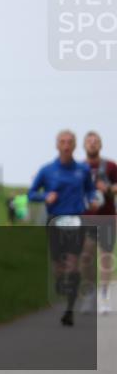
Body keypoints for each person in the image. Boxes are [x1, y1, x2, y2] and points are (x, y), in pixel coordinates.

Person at [28, 130, 94, 327]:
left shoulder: (82, 170)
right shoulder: (47, 170)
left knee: (73, 264)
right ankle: (60, 285)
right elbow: (31, 193)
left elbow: (90, 190)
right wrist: (45, 196)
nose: (66, 145)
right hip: (55, 220)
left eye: (70, 142)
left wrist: (93, 199)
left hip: (76, 220)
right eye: (63, 142)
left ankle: (69, 310)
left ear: (74, 146)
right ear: (57, 145)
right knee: (58, 267)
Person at [78, 131, 117, 315]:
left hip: (107, 217)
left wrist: (107, 188)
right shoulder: (78, 167)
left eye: (96, 141)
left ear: (100, 145)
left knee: (106, 258)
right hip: (86, 218)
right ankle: (90, 293)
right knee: (85, 257)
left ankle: (104, 297)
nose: (92, 144)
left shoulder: (110, 166)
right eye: (89, 141)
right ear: (84, 145)